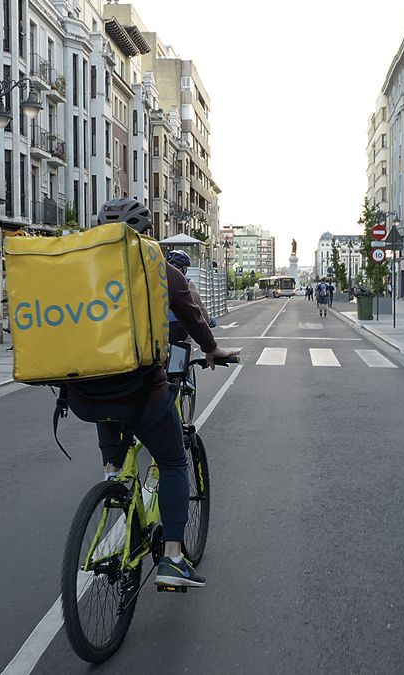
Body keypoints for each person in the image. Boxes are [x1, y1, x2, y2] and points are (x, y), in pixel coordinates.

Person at [67, 198, 238, 589]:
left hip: (85, 394)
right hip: (141, 393)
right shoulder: (160, 268)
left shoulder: (79, 267)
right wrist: (211, 350)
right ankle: (173, 560)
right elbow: (193, 316)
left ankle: (116, 482)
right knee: (175, 460)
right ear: (145, 233)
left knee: (108, 417)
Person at [165, 249, 216, 345]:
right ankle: (183, 360)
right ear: (183, 268)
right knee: (188, 341)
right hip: (178, 324)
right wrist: (208, 322)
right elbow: (200, 307)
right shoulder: (186, 282)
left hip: (160, 325)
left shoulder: (159, 281)